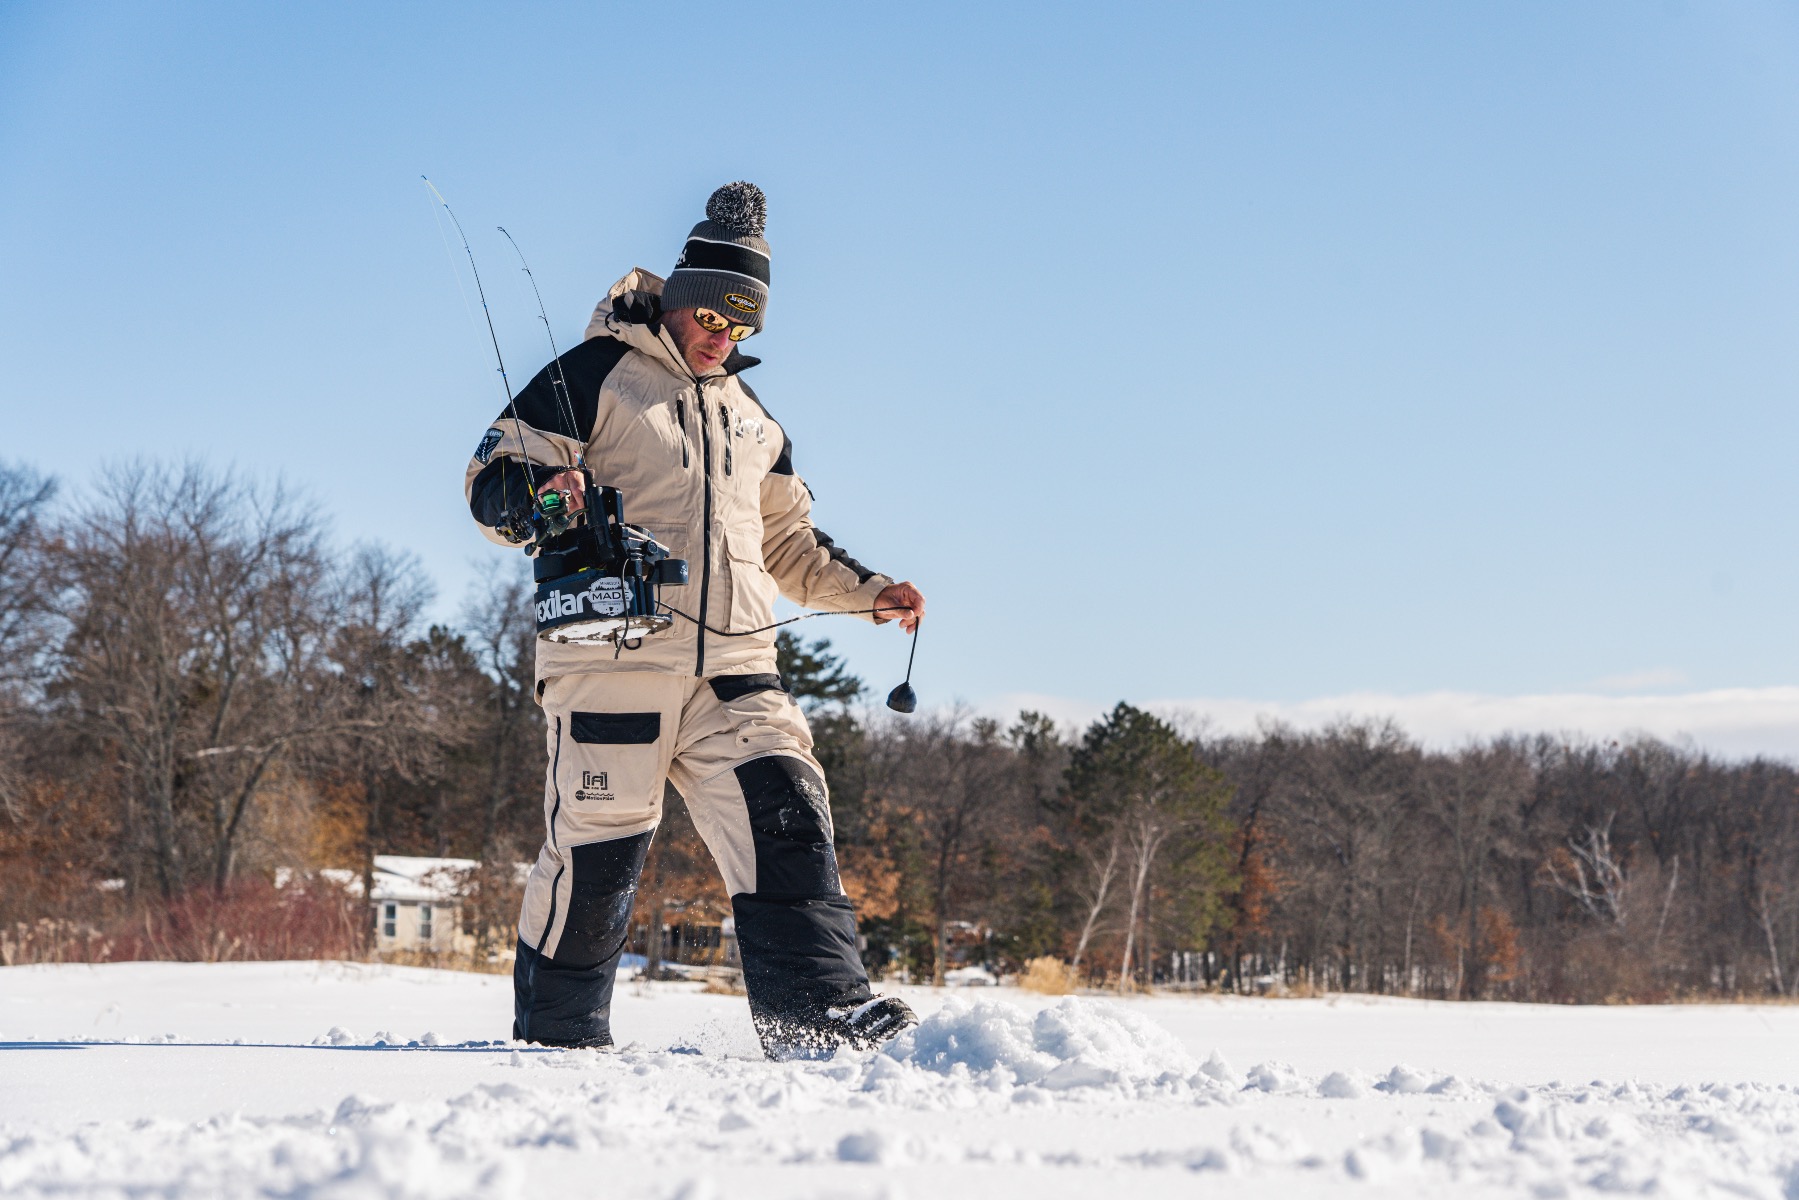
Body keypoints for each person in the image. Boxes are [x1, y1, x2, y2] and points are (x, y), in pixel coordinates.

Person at [462, 182, 926, 1057]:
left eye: (742, 327)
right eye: (712, 316)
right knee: (599, 853)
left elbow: (789, 545)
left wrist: (870, 592)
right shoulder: (589, 376)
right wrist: (538, 496)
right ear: (677, 302)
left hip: (738, 673)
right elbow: (491, 487)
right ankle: (559, 1035)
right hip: (614, 659)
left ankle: (816, 1019)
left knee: (789, 810)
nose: (724, 337)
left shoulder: (755, 422)